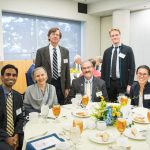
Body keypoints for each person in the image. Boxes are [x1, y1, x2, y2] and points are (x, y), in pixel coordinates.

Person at [35, 27, 70, 105]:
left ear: (59, 38)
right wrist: (38, 86)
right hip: (46, 82)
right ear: (49, 36)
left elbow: (67, 70)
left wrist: (67, 87)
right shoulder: (41, 51)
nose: (55, 36)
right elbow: (36, 70)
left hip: (61, 83)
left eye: (57, 35)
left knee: (61, 105)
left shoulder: (65, 51)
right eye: (53, 34)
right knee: (47, 104)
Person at [101, 28, 135, 102]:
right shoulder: (107, 51)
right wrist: (102, 84)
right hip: (109, 84)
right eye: (112, 35)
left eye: (116, 35)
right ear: (110, 37)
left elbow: (132, 68)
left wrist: (129, 84)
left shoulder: (128, 50)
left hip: (122, 83)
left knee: (123, 104)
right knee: (109, 104)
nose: (114, 37)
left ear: (120, 35)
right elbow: (103, 69)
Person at [0, 64, 24, 150]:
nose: (11, 77)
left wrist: (17, 134)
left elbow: (20, 117)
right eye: (8, 74)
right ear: (2, 77)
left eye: (14, 75)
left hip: (15, 134)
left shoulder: (18, 96)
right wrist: (7, 138)